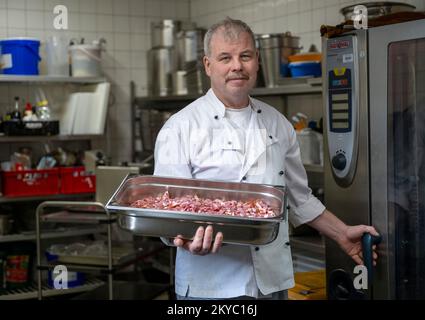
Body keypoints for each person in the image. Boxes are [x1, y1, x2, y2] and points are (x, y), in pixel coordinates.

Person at [153, 17, 379, 300]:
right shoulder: (180, 127)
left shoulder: (278, 123)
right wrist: (184, 240)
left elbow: (299, 198)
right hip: (211, 285)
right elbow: (167, 211)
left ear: (257, 61)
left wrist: (342, 233)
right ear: (208, 65)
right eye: (225, 57)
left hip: (272, 283)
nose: (237, 66)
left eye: (245, 56)